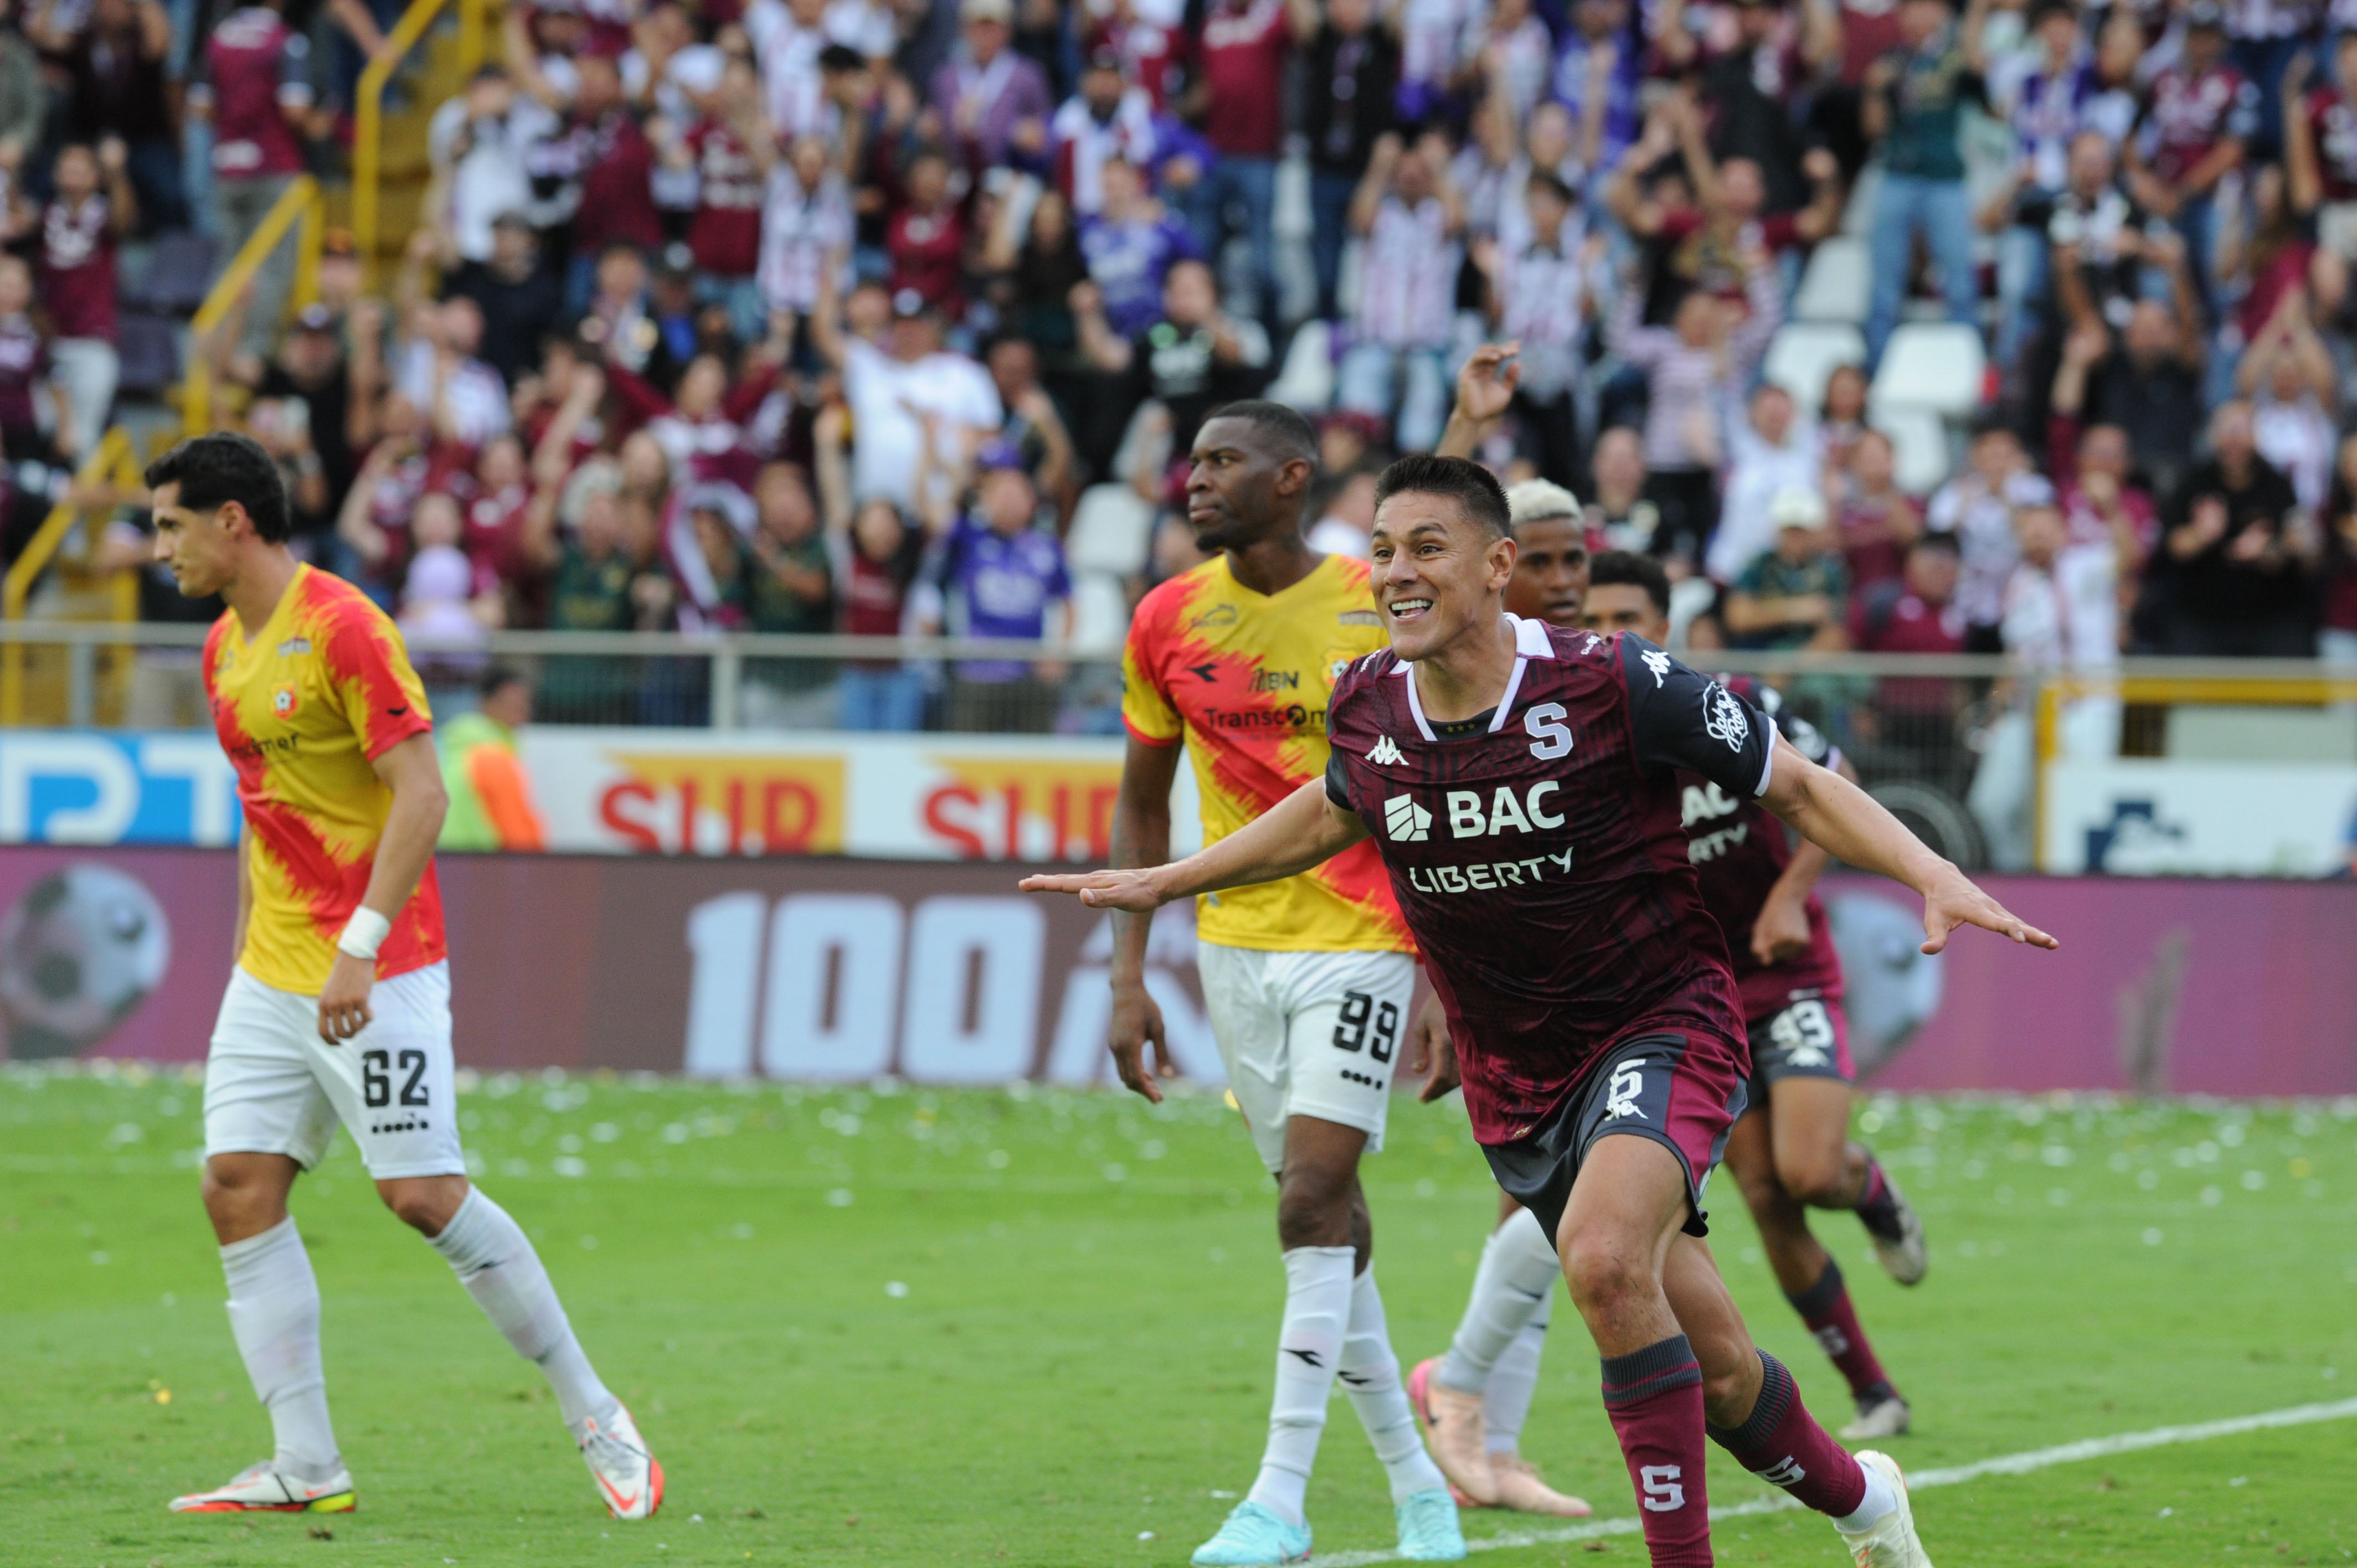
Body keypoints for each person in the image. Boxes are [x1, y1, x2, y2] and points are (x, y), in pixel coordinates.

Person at [1027, 452, 2058, 1568]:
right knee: (1718, 1372)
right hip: (1516, 1072)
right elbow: (1330, 811)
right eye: (1382, 550)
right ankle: (1866, 1504)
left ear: (1496, 565)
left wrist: (1931, 871)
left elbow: (1800, 786)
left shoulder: (1615, 681)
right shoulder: (1368, 700)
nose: (1395, 572)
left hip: (1660, 1022)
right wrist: (1168, 881)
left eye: (1427, 548)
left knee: (1602, 1260)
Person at [143, 434, 659, 1519]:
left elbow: (422, 795)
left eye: (170, 525)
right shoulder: (223, 648)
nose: (159, 549)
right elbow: (265, 816)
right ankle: (306, 1462)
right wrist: (248, 956)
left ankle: (595, 1409)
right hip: (274, 969)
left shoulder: (346, 628)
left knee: (421, 1196)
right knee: (235, 1187)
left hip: (380, 964)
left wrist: (360, 946)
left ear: (232, 521)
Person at [1097, 401, 1465, 1566]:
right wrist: (1127, 972)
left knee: (1309, 1201)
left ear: (1293, 477)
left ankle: (1278, 1499)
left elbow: (1441, 778)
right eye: (1193, 462)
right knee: (1329, 1221)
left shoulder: (1373, 598)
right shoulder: (1165, 617)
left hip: (1364, 935)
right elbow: (1142, 803)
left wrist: (1449, 977)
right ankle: (1418, 1483)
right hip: (1234, 948)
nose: (1196, 480)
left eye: (1224, 461)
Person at [1579, 550, 1923, 1441]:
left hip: (1787, 971)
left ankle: (1871, 1190)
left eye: (1628, 618)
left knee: (1811, 1171)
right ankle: (1874, 1391)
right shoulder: (1579, 741)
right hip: (1697, 1001)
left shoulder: (1723, 702)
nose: (1610, 635)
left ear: (1664, 627)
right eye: (1594, 619)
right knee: (1767, 1197)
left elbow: (1834, 783)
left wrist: (1788, 896)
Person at [437, 665, 547, 852]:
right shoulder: (491, 754)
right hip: (475, 858)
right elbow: (516, 832)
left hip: (446, 854)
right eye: (512, 702)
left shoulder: (457, 747)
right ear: (486, 702)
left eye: (525, 702)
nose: (522, 709)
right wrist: (538, 863)